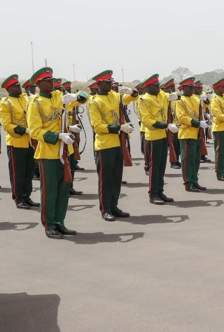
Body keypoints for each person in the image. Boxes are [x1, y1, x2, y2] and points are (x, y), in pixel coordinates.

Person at [27, 67, 87, 239]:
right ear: (38, 84)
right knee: (49, 191)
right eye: (47, 81)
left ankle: (60, 222)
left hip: (65, 151)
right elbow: (35, 131)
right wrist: (59, 136)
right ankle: (49, 224)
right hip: (48, 153)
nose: (51, 83)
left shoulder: (59, 97)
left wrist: (76, 96)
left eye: (52, 80)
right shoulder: (35, 103)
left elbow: (85, 97)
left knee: (63, 189)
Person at [87, 70, 138, 219]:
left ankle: (114, 206)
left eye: (111, 82)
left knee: (116, 178)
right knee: (105, 179)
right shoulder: (94, 101)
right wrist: (119, 128)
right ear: (99, 84)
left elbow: (134, 97)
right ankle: (105, 209)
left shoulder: (115, 96)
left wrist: (132, 91)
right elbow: (98, 127)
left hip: (117, 143)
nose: (111, 84)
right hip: (104, 145)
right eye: (108, 82)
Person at [0, 74, 39, 210]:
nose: (19, 87)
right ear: (9, 88)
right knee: (18, 172)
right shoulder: (6, 103)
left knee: (29, 171)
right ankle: (18, 198)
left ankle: (27, 196)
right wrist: (24, 130)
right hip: (16, 142)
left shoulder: (24, 98)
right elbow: (7, 125)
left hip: (29, 142)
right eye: (16, 86)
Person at [138, 74, 178, 203]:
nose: (159, 87)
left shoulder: (161, 95)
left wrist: (177, 95)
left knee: (161, 166)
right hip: (153, 136)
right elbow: (148, 120)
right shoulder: (144, 99)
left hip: (163, 135)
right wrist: (166, 125)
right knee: (154, 168)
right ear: (148, 87)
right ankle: (153, 194)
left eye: (158, 84)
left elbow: (173, 97)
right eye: (155, 85)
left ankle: (160, 192)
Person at [176, 76, 209, 191]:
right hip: (187, 134)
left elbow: (204, 108)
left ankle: (194, 181)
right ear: (183, 88)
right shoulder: (179, 101)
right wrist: (198, 123)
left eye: (192, 87)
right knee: (187, 161)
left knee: (195, 160)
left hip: (197, 134)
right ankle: (188, 183)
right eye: (189, 87)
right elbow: (182, 118)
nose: (192, 89)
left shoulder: (195, 99)